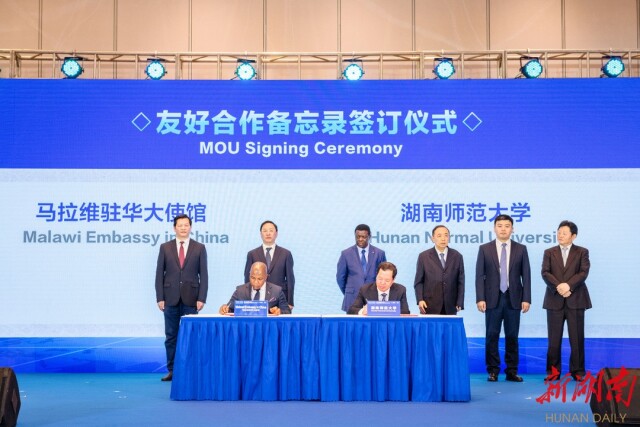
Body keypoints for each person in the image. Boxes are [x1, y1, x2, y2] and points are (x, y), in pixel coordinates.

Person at [476, 214, 531, 382]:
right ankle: (493, 370)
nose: (503, 229)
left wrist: (526, 298)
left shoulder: (521, 249)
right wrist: (480, 298)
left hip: (514, 298)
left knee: (512, 336)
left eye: (507, 226)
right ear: (494, 228)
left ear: (512, 229)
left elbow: (526, 276)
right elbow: (479, 276)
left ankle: (511, 371)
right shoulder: (485, 249)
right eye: (500, 226)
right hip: (492, 298)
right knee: (491, 335)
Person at [155, 214, 208, 382]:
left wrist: (201, 298)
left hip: (191, 299)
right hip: (169, 298)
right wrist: (160, 297)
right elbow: (159, 274)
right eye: (180, 225)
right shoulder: (165, 247)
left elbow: (204, 275)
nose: (183, 228)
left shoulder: (199, 248)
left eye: (186, 225)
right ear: (174, 228)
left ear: (190, 227)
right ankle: (172, 370)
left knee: (191, 336)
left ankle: (190, 370)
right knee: (171, 336)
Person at [542, 220, 591, 381]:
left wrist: (568, 285)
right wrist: (559, 287)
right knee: (553, 340)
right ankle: (553, 372)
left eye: (564, 233)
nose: (560, 235)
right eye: (558, 232)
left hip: (576, 299)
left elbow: (583, 272)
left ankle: (578, 371)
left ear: (573, 236)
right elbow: (545, 273)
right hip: (554, 300)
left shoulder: (582, 252)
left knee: (576, 338)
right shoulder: (549, 252)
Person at [414, 224, 465, 315]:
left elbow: (460, 281)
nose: (443, 239)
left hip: (450, 304)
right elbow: (419, 281)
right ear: (433, 238)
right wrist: (420, 299)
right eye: (439, 236)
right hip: (429, 304)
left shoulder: (457, 256)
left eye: (446, 235)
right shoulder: (424, 256)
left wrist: (459, 302)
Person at [244, 220, 295, 310]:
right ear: (261, 234)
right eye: (265, 231)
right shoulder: (252, 254)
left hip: (280, 299)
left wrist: (290, 301)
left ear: (276, 233)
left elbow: (290, 279)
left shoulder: (286, 253)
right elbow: (247, 278)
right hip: (258, 298)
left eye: (271, 230)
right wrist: (247, 300)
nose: (268, 233)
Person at [336, 224, 387, 312]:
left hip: (373, 298)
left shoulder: (379, 253)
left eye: (363, 237)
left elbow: (384, 276)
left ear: (369, 236)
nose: (360, 239)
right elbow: (340, 278)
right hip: (352, 298)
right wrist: (349, 291)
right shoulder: (346, 254)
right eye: (358, 236)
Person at [220, 262, 290, 315]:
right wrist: (225, 309)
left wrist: (279, 311)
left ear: (266, 277)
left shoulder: (277, 291)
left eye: (260, 279)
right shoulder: (240, 290)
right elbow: (230, 308)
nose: (255, 282)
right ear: (249, 275)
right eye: (252, 278)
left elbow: (287, 311)